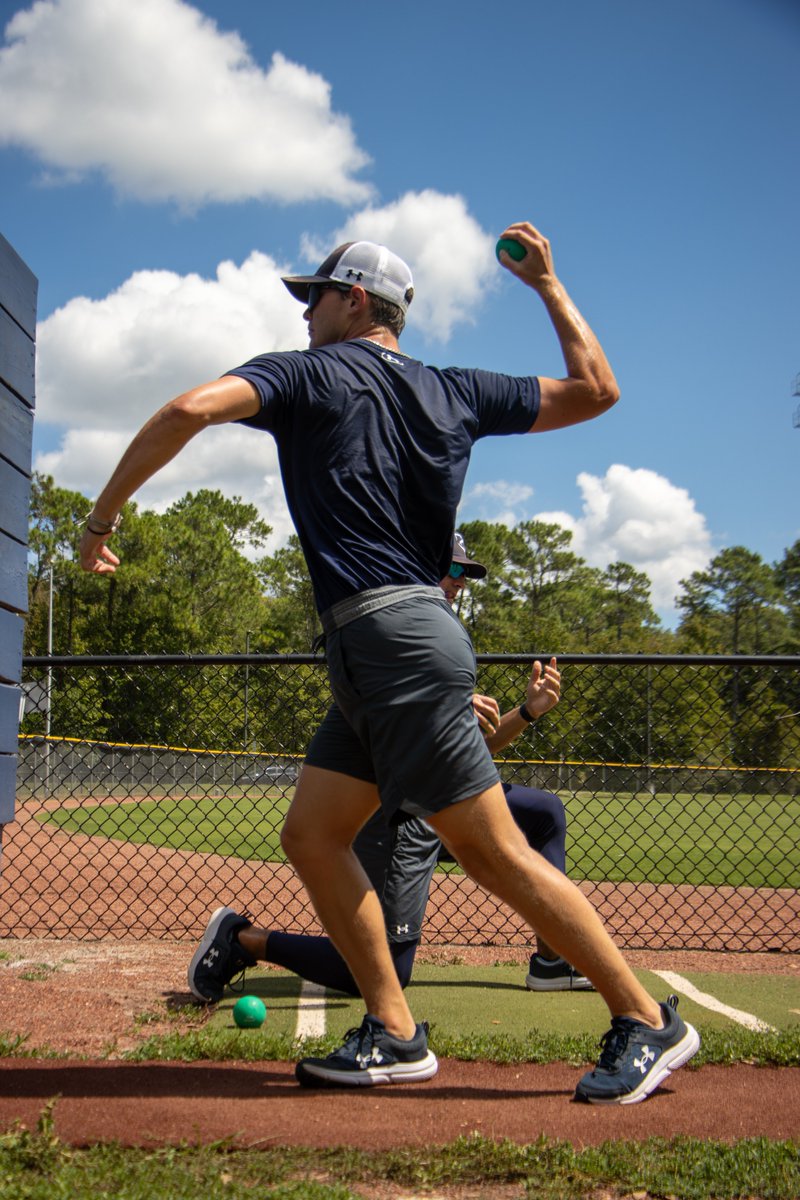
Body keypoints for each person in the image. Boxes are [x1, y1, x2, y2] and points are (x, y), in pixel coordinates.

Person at [79, 222, 699, 1104]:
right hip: (380, 650)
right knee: (313, 835)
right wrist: (548, 288)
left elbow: (185, 409)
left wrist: (101, 521)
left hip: (395, 645)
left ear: (356, 300)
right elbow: (597, 390)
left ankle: (645, 1017)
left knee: (489, 853)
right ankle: (396, 1031)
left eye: (315, 297)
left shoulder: (305, 372)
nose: (303, 316)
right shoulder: (455, 391)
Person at [187, 531, 593, 1003]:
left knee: (542, 813)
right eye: (453, 567)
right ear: (419, 565)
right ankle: (243, 939)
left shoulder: (442, 631)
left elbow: (466, 756)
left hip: (436, 801)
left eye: (466, 572)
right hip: (395, 814)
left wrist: (526, 714)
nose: (460, 580)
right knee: (382, 972)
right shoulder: (392, 629)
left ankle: (552, 962)